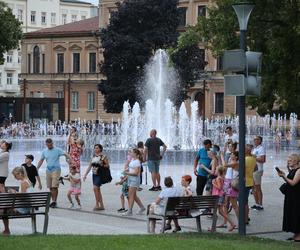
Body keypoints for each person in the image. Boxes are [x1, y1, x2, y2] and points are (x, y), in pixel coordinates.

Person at [37, 138, 72, 208]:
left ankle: (54, 201)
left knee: (54, 186)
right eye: (48, 145)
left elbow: (66, 154)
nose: (49, 146)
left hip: (56, 169)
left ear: (52, 143)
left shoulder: (57, 150)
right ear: (46, 144)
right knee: (50, 187)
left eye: (50, 145)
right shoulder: (44, 151)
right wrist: (37, 168)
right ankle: (53, 200)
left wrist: (70, 160)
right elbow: (41, 160)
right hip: (48, 170)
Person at [277, 154, 300, 242]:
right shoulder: (293, 170)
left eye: (290, 160)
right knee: (291, 213)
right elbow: (289, 181)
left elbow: (293, 183)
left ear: (295, 160)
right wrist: (284, 175)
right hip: (291, 196)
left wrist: (284, 176)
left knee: (296, 214)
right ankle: (296, 234)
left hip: (296, 197)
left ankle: (298, 235)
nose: (288, 161)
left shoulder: (299, 170)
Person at [83, 144, 109, 211]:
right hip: (94, 174)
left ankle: (97, 204)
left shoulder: (103, 156)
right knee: (97, 190)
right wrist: (85, 174)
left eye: (97, 148)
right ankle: (102, 205)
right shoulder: (93, 156)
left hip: (100, 174)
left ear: (100, 149)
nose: (96, 149)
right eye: (95, 148)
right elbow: (90, 166)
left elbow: (107, 166)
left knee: (95, 188)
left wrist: (102, 164)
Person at [212, 166, 236, 231]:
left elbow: (220, 187)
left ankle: (232, 223)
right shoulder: (222, 178)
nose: (215, 171)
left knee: (219, 212)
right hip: (221, 196)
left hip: (218, 196)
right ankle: (231, 223)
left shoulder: (218, 179)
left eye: (216, 170)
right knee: (220, 211)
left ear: (219, 172)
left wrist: (213, 184)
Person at [123, 148, 145, 216]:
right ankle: (142, 207)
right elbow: (130, 168)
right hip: (130, 179)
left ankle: (130, 211)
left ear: (136, 154)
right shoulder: (133, 160)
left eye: (132, 152)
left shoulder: (137, 162)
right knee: (134, 195)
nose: (130, 153)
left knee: (131, 195)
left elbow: (136, 173)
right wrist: (126, 171)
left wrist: (127, 173)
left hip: (134, 180)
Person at [220, 151, 239, 229]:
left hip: (231, 184)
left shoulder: (235, 163)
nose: (230, 155)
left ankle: (240, 222)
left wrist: (221, 155)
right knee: (225, 204)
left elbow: (224, 165)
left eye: (232, 154)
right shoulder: (232, 162)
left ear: (236, 157)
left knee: (234, 205)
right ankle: (225, 222)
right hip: (228, 183)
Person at [251, 136, 266, 211]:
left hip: (258, 170)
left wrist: (253, 157)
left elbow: (263, 160)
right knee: (254, 188)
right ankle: (256, 203)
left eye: (257, 139)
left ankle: (260, 204)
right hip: (253, 170)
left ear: (260, 141)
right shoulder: (255, 148)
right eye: (254, 139)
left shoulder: (261, 148)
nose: (255, 140)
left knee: (257, 187)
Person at [245, 144, 257, 224]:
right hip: (250, 180)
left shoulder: (245, 159)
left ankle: (245, 218)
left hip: (244, 182)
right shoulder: (253, 158)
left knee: (243, 202)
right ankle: (247, 217)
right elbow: (256, 168)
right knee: (246, 201)